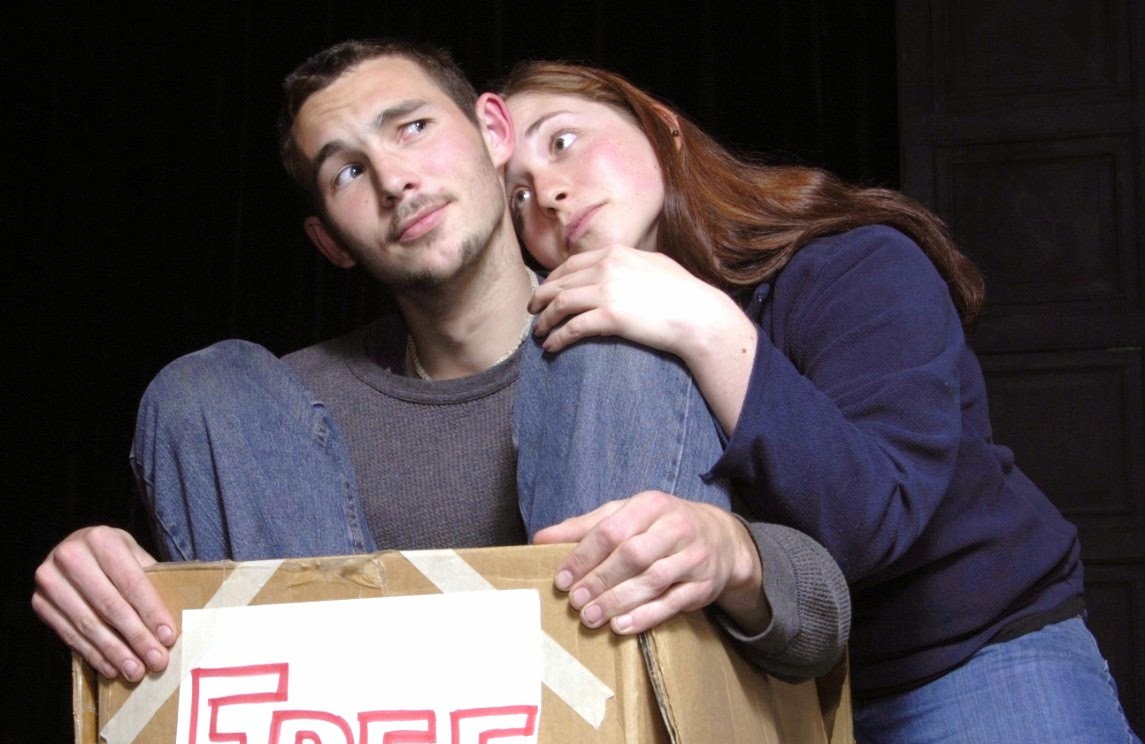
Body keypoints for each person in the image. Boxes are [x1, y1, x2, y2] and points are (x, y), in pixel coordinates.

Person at [497, 60, 1145, 744]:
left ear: (662, 130)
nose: (549, 191)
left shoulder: (854, 261)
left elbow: (875, 518)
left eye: (563, 141)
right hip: (782, 686)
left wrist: (707, 326)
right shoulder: (588, 362)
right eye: (516, 193)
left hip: (952, 646)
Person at [32, 40, 849, 702]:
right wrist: (104, 575)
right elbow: (171, 643)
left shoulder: (646, 330)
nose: (395, 180)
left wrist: (730, 552)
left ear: (494, 131)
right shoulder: (273, 419)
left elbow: (822, 626)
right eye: (347, 172)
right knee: (201, 386)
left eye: (412, 127)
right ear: (329, 241)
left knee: (608, 345)